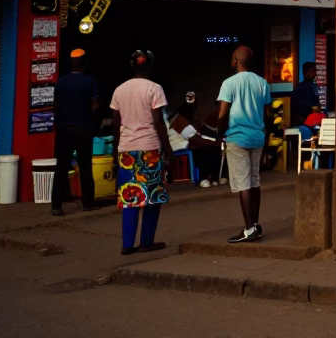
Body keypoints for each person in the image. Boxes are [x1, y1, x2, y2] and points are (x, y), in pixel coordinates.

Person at [110, 50, 171, 255]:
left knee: (130, 197)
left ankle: (128, 245)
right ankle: (146, 241)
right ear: (151, 66)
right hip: (149, 149)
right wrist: (167, 148)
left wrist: (115, 152)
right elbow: (158, 122)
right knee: (152, 197)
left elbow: (116, 123)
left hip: (126, 150)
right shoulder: (155, 88)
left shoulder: (119, 90)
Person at [218, 46, 272, 244]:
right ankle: (255, 224)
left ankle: (249, 229)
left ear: (235, 60)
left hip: (237, 137)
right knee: (254, 181)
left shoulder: (229, 83)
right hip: (257, 137)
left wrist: (219, 134)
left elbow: (223, 114)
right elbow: (267, 113)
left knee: (243, 183)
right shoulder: (262, 83)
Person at [51, 48, 100, 216]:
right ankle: (88, 203)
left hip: (64, 129)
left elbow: (55, 107)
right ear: (84, 64)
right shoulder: (90, 81)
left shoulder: (61, 82)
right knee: (85, 166)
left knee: (62, 167)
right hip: (84, 128)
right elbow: (94, 106)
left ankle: (56, 206)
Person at [165, 93, 221, 188]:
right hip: (180, 146)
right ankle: (204, 177)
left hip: (185, 143)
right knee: (203, 148)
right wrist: (214, 142)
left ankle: (214, 177)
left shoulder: (182, 120)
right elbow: (193, 137)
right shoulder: (179, 120)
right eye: (195, 110)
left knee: (212, 147)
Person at [291, 62, 319, 126]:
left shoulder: (313, 86)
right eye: (311, 71)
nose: (314, 74)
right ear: (305, 73)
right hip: (303, 122)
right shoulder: (301, 88)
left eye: (314, 71)